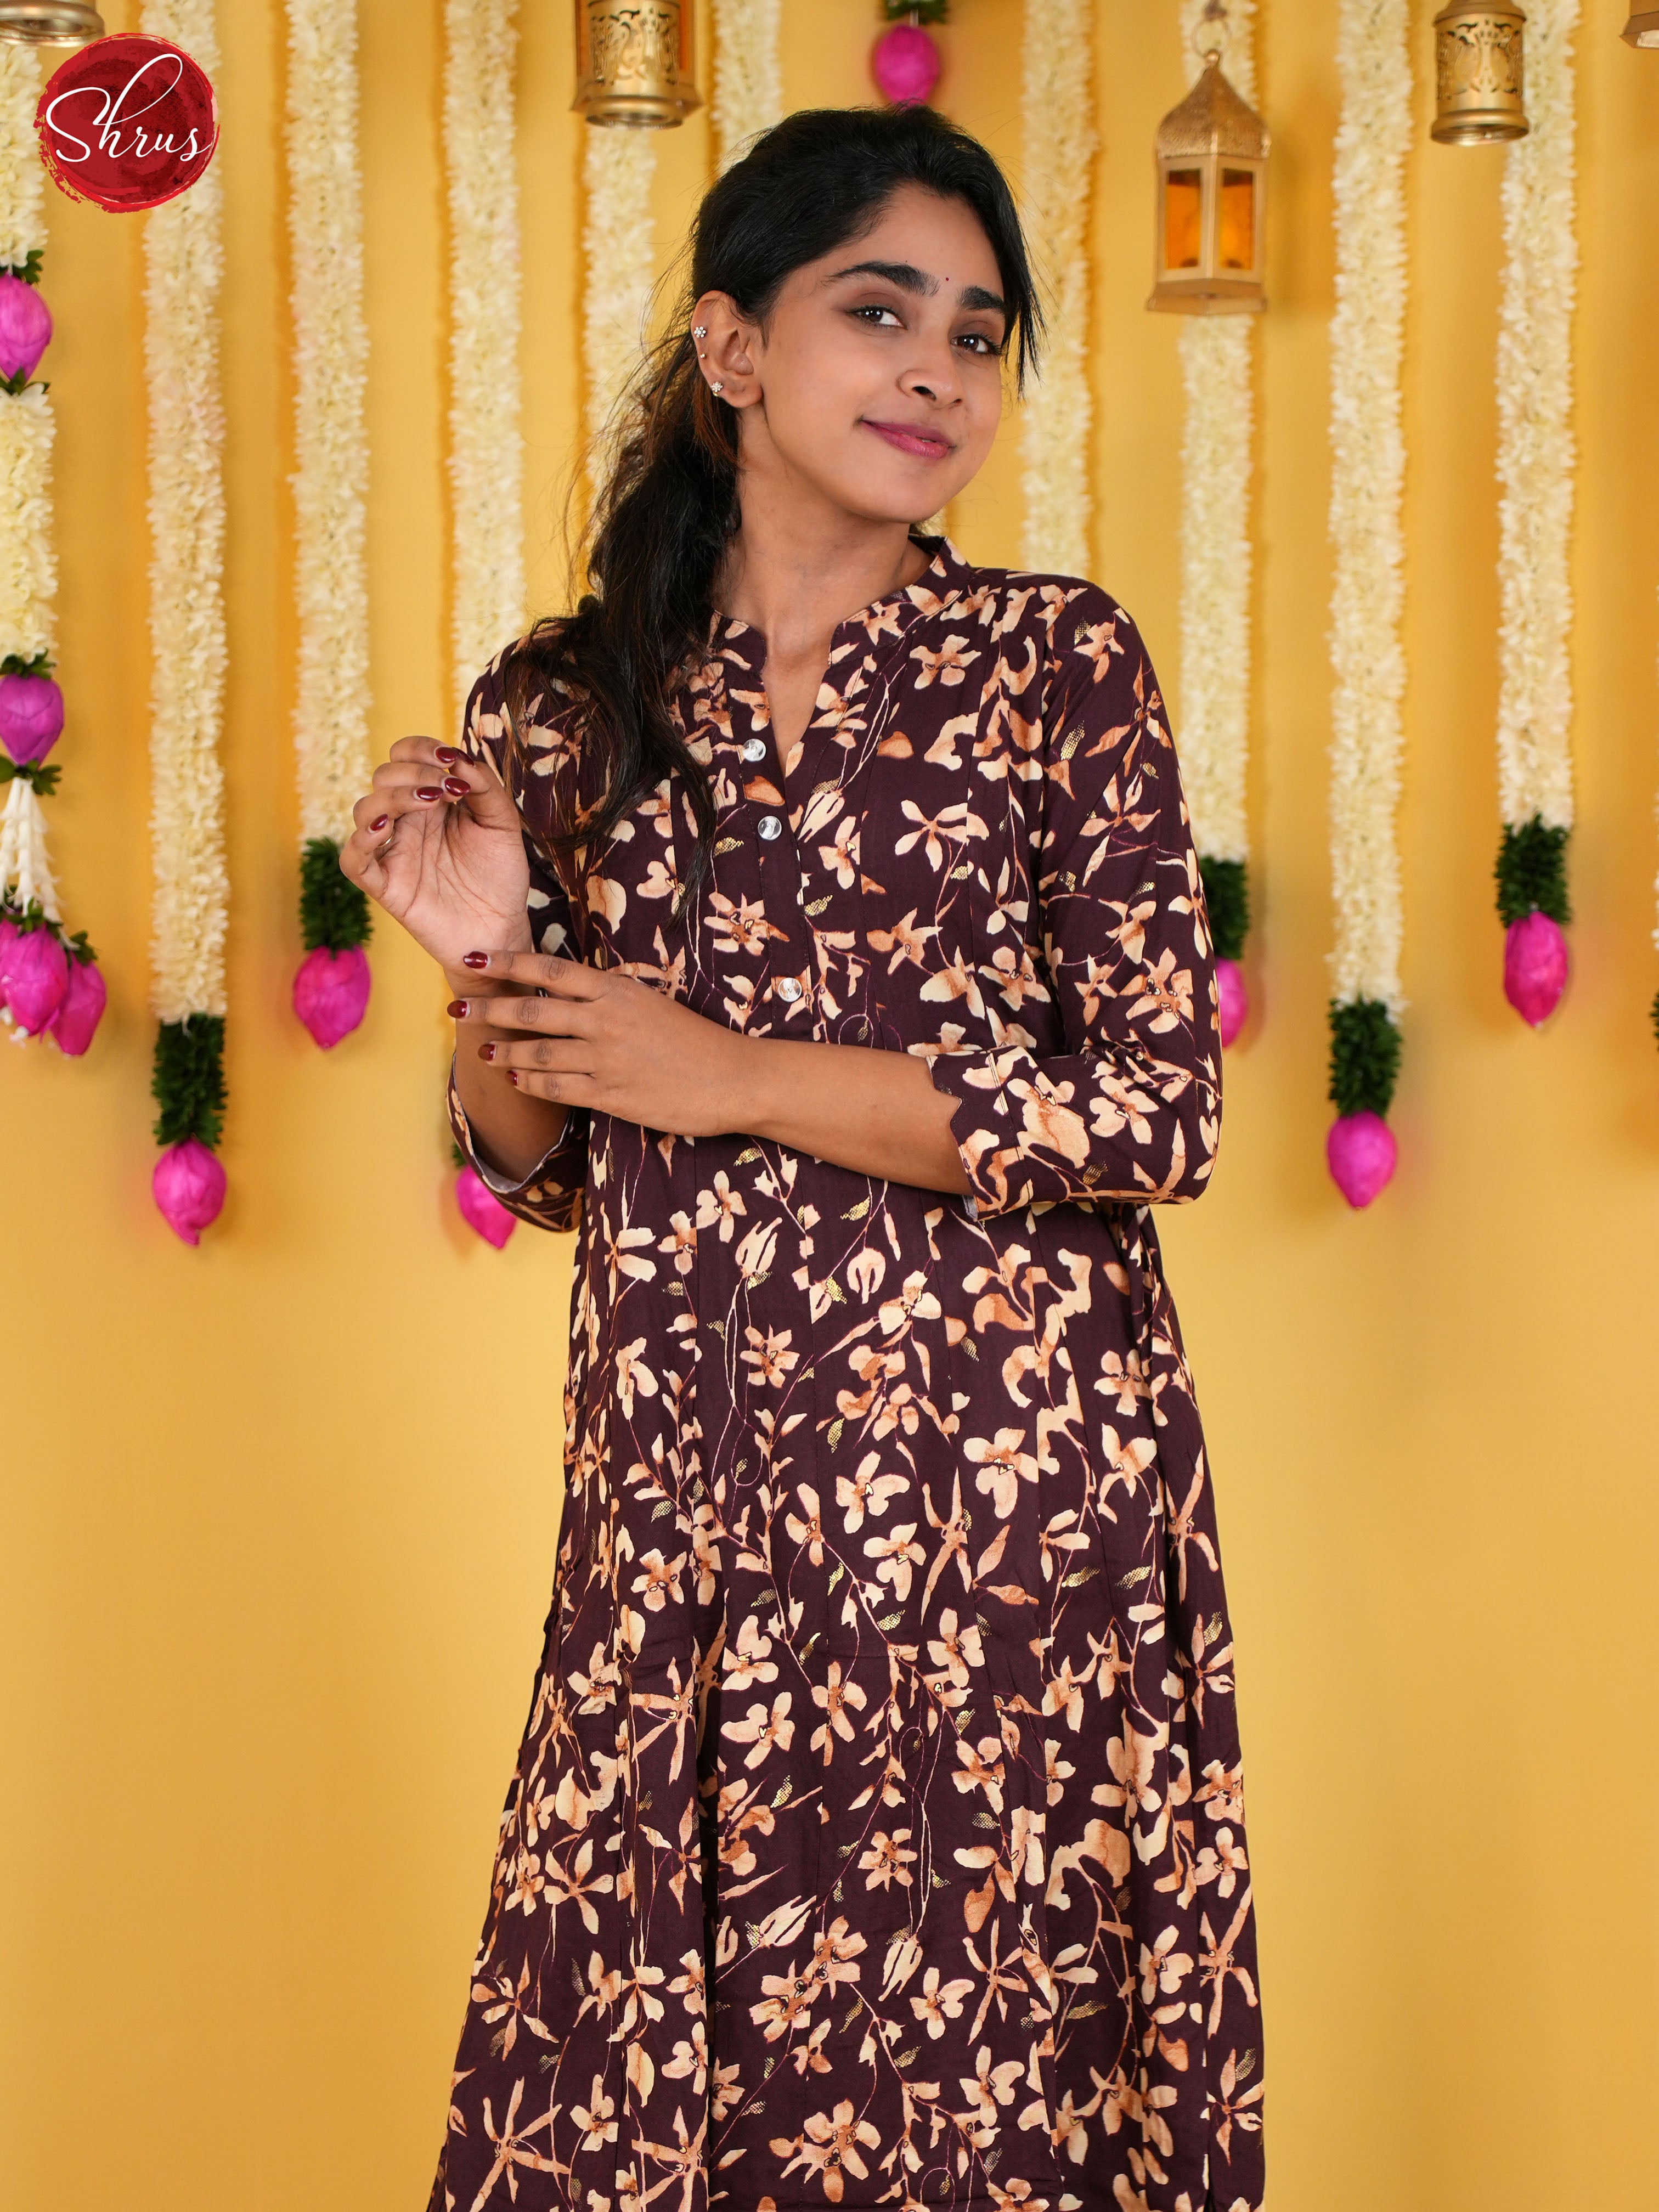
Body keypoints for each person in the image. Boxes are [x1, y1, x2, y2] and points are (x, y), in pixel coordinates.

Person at [343, 103, 1263, 2212]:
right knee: (648, 2084)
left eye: (979, 333)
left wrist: (736, 1072)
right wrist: (485, 963)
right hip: (682, 1494)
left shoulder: (1054, 666)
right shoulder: (563, 707)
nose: (940, 370)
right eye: (881, 311)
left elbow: (1154, 1106)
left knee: (978, 2085)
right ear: (734, 346)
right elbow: (545, 1166)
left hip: (1003, 1505)